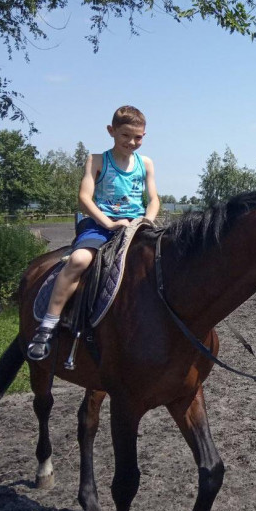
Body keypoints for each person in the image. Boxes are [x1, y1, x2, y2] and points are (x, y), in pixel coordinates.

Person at [27, 105, 160, 361]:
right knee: (79, 261)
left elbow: (153, 199)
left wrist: (147, 220)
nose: (132, 142)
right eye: (125, 136)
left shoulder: (146, 163)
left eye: (138, 137)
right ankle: (48, 324)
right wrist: (109, 224)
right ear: (111, 131)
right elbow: (84, 199)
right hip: (100, 224)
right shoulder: (98, 160)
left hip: (135, 225)